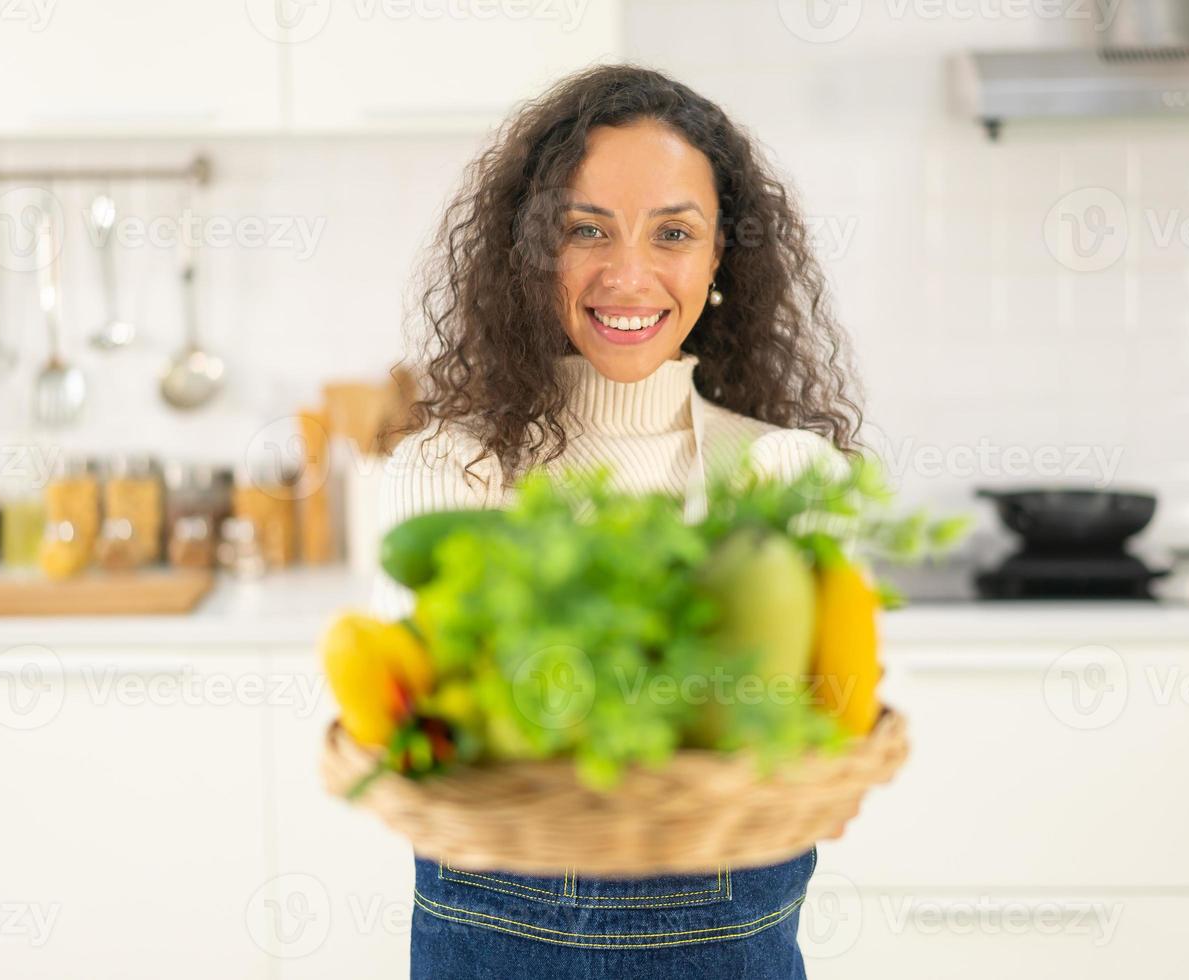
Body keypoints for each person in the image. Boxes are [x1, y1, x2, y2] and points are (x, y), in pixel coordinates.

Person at [370, 62, 866, 980]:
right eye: (583, 231)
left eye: (672, 233)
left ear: (722, 258)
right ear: (528, 251)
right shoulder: (450, 470)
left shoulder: (786, 472)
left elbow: (813, 738)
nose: (628, 275)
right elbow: (436, 738)